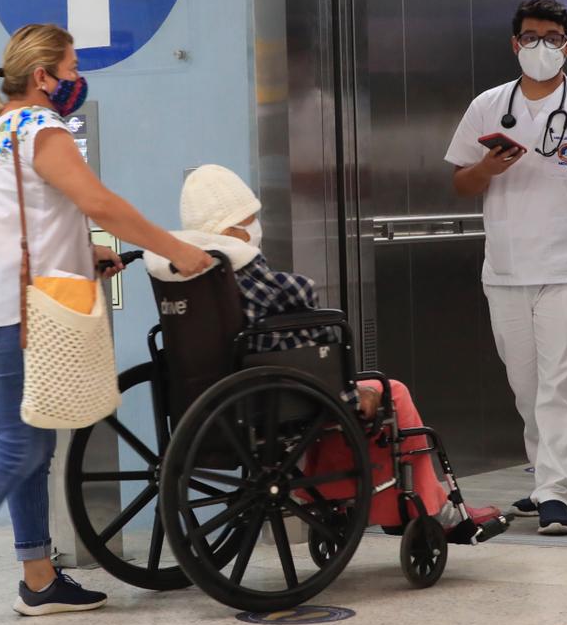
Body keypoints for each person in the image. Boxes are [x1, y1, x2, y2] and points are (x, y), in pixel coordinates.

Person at [0, 24, 212, 625]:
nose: (76, 78)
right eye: (70, 66)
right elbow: (99, 203)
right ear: (43, 76)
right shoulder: (42, 128)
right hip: (14, 313)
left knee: (30, 449)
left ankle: (39, 579)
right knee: (23, 447)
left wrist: (82, 252)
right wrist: (178, 249)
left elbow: (23, 217)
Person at [146, 164, 502, 538]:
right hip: (274, 396)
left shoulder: (188, 276)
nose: (256, 227)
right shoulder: (242, 269)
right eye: (250, 219)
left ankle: (336, 495)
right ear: (231, 227)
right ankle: (430, 505)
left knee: (333, 404)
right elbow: (302, 314)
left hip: (211, 397)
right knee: (390, 392)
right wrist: (347, 392)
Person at [444, 0, 567, 536]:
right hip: (505, 268)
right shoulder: (487, 106)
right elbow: (460, 181)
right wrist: (487, 166)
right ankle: (558, 478)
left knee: (558, 383)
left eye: (552, 38)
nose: (540, 47)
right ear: (515, 44)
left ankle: (553, 492)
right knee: (525, 385)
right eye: (531, 37)